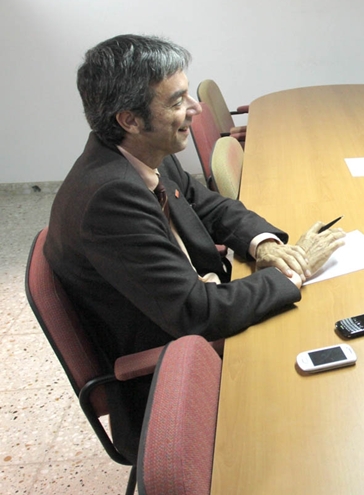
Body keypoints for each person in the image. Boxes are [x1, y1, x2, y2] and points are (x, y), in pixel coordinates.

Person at [44, 34, 345, 460]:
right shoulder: (108, 199)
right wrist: (292, 273)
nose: (196, 109)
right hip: (168, 370)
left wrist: (264, 246)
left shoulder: (142, 153)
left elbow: (211, 206)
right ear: (129, 119)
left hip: (189, 315)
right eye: (177, 100)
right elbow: (197, 314)